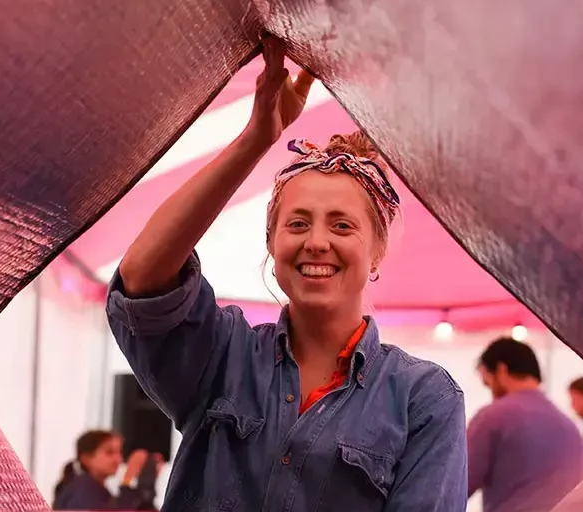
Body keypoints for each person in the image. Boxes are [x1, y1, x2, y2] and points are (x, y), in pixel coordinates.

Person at [105, 34, 467, 511]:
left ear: (377, 252)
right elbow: (142, 281)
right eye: (297, 224)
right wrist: (255, 140)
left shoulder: (423, 399)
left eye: (342, 225)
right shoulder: (224, 356)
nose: (316, 241)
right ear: (273, 245)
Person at [468, 338, 583, 512]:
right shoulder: (571, 428)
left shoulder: (493, 417)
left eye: (488, 383)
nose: (490, 392)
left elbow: (454, 484)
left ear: (502, 370)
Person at [53, 430, 162, 511]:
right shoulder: (83, 488)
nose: (118, 459)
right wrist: (129, 478)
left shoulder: (89, 486)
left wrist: (147, 479)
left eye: (119, 452)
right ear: (86, 458)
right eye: (109, 453)